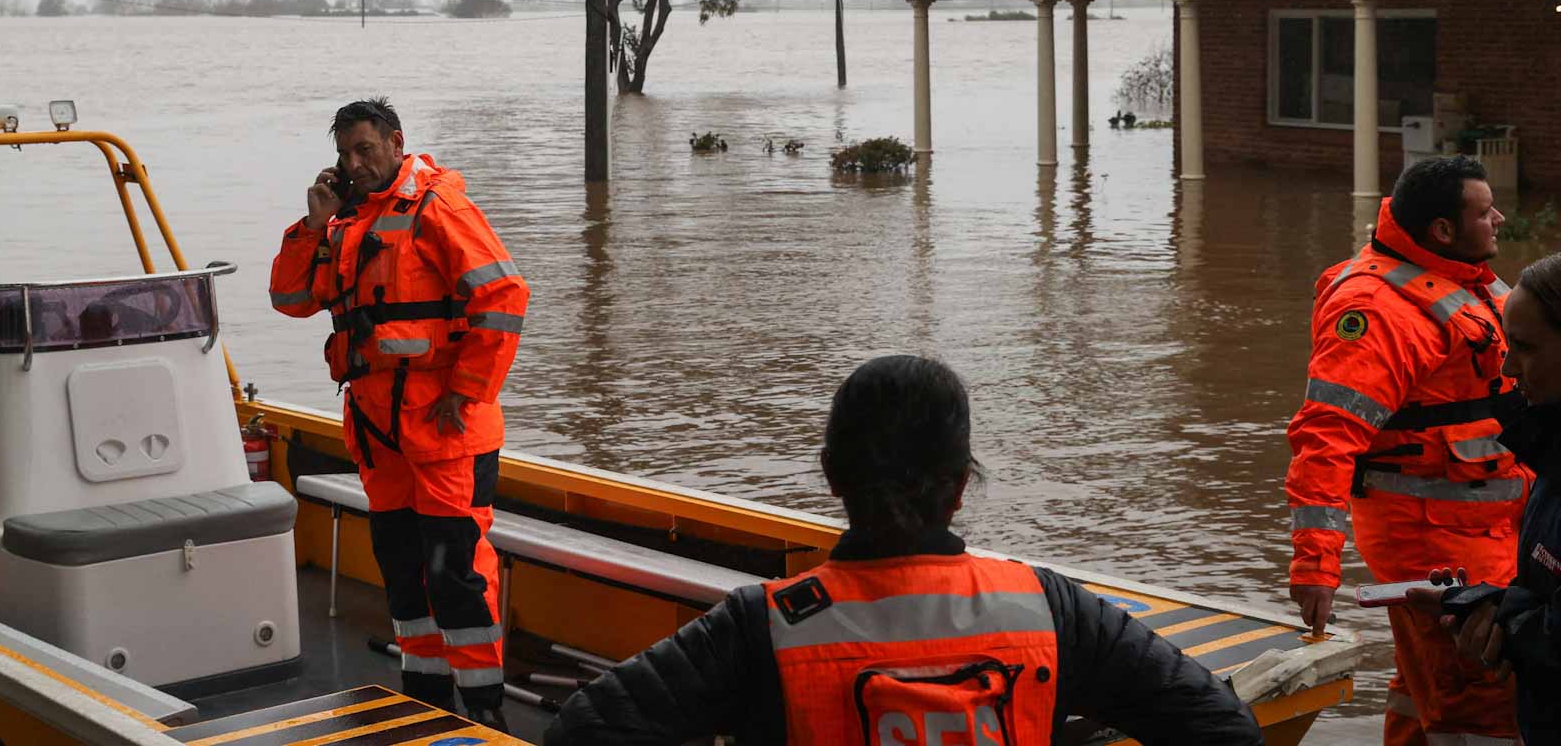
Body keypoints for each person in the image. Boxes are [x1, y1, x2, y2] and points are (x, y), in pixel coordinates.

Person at [546, 355, 1265, 746]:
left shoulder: (761, 627)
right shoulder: (1049, 610)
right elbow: (1221, 731)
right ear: (960, 486)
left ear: (832, 476)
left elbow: (585, 731)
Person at [269, 97, 529, 727]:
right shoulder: (343, 222)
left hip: (445, 430)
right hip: (379, 431)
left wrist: (464, 394)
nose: (355, 164)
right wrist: (313, 226)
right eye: (345, 154)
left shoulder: (438, 206)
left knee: (456, 573)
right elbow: (290, 298)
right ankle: (427, 697)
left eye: (366, 149)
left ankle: (484, 711)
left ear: (395, 142)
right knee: (405, 572)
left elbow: (502, 297)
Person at [1285, 156, 1530, 744]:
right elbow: (1326, 437)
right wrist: (1315, 564)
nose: (1498, 218)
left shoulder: (1463, 277)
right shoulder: (1376, 310)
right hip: (1434, 535)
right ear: (1443, 230)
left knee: (1424, 686)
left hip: (1485, 522)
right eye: (1483, 211)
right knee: (1483, 693)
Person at [1407, 251, 1561, 743]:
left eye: (1525, 347)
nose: (1510, 368)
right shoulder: (1551, 457)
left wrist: (1503, 624)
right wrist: (1491, 608)